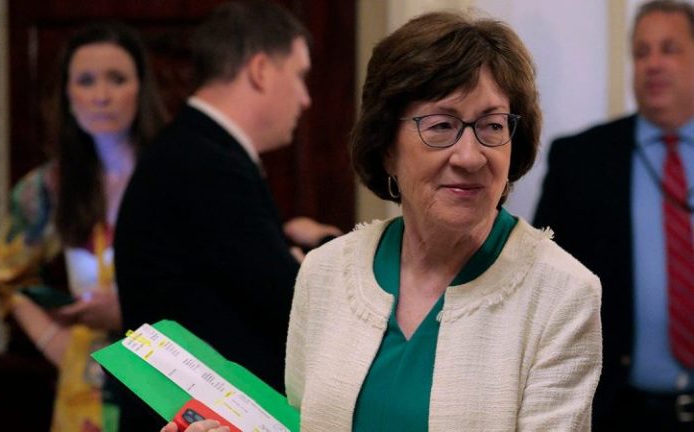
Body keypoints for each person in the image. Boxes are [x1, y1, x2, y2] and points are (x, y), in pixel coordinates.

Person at [166, 9, 602, 432]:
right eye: (441, 126)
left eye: (492, 126)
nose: (470, 157)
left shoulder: (561, 294)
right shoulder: (324, 274)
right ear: (387, 148)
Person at [113, 1, 340, 430]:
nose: (306, 98)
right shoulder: (206, 163)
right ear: (261, 70)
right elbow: (292, 303)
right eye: (300, 75)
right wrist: (320, 254)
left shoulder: (196, 150)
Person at [0, 22, 167, 432]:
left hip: (166, 371)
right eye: (86, 81)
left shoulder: (174, 175)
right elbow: (1, 275)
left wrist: (130, 308)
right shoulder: (49, 186)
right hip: (87, 383)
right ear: (67, 94)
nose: (101, 95)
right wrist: (55, 342)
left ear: (141, 88)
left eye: (117, 79)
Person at [534, 0, 694, 429]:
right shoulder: (581, 160)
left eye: (669, 49)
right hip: (619, 412)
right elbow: (543, 281)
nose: (653, 64)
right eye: (641, 52)